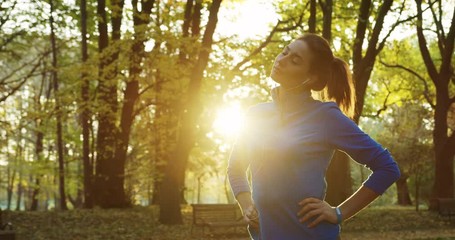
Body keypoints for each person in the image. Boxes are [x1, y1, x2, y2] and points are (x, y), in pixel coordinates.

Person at [227, 33, 401, 240]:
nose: (281, 60)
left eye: (295, 60)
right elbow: (236, 168)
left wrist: (340, 212)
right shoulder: (256, 115)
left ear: (311, 78)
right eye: (285, 51)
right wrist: (247, 205)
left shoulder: (325, 117)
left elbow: (387, 168)